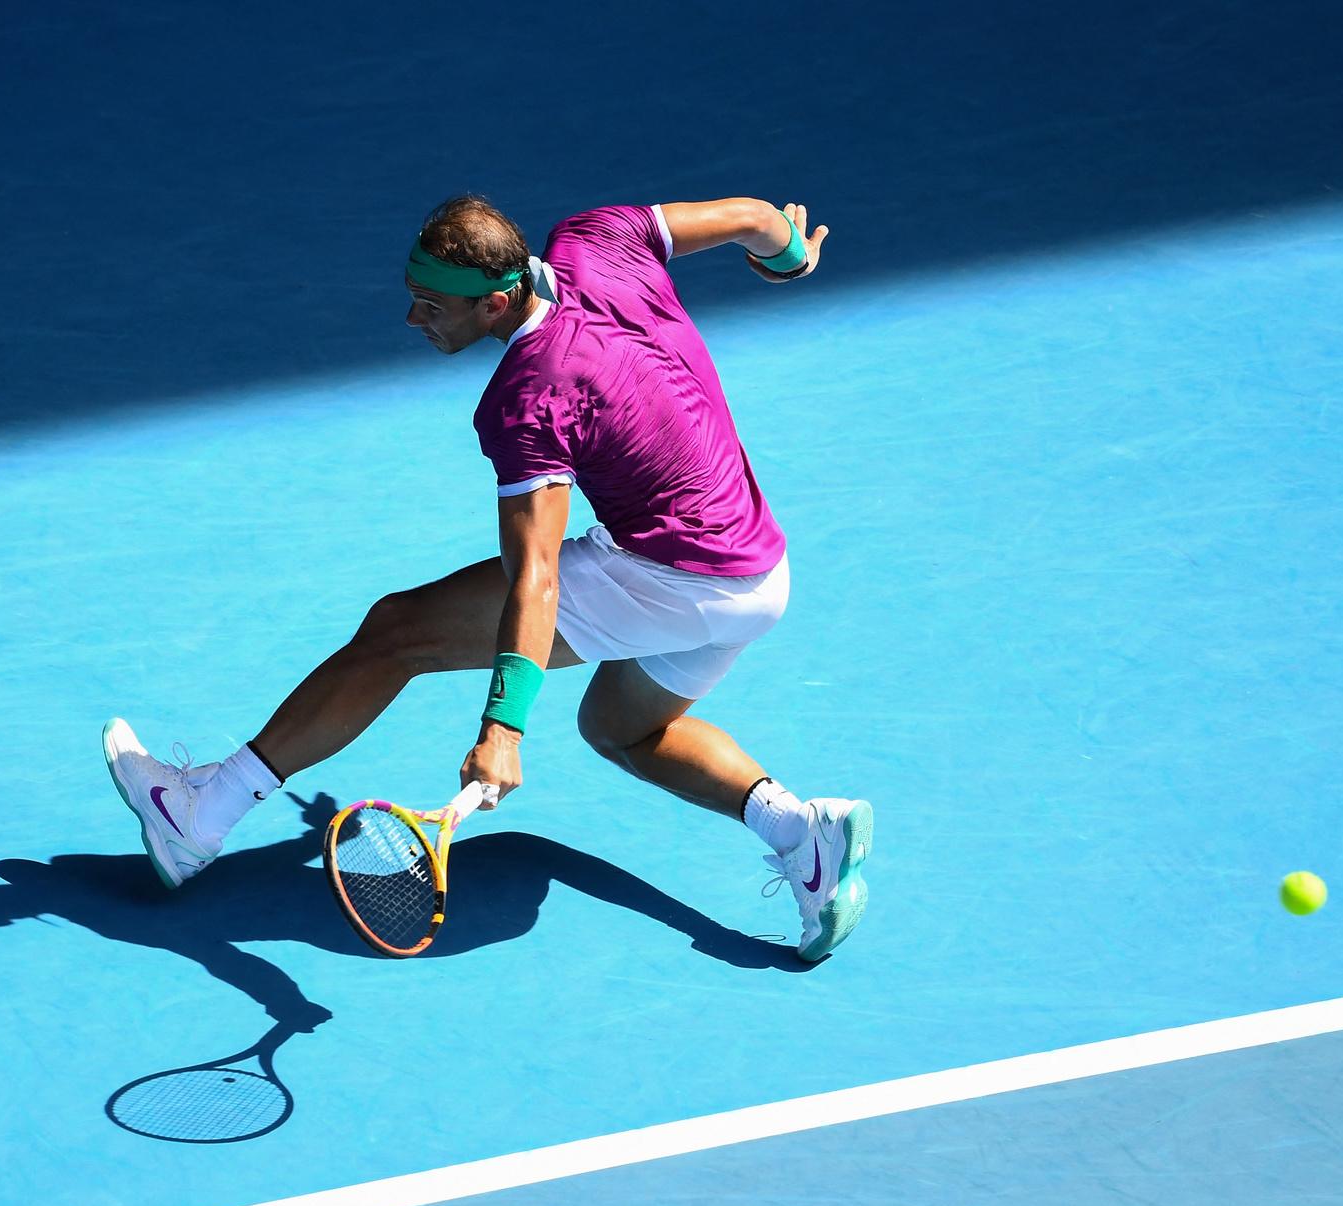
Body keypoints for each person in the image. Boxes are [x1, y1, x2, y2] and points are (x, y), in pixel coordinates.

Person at [104, 194, 872, 961]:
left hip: (674, 575)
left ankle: (200, 816)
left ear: (498, 300)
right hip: (759, 571)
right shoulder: (601, 237)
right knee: (622, 729)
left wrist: (502, 728)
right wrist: (789, 257)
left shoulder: (529, 397)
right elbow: (751, 215)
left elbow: (534, 575)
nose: (414, 321)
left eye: (431, 306)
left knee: (396, 634)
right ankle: (804, 836)